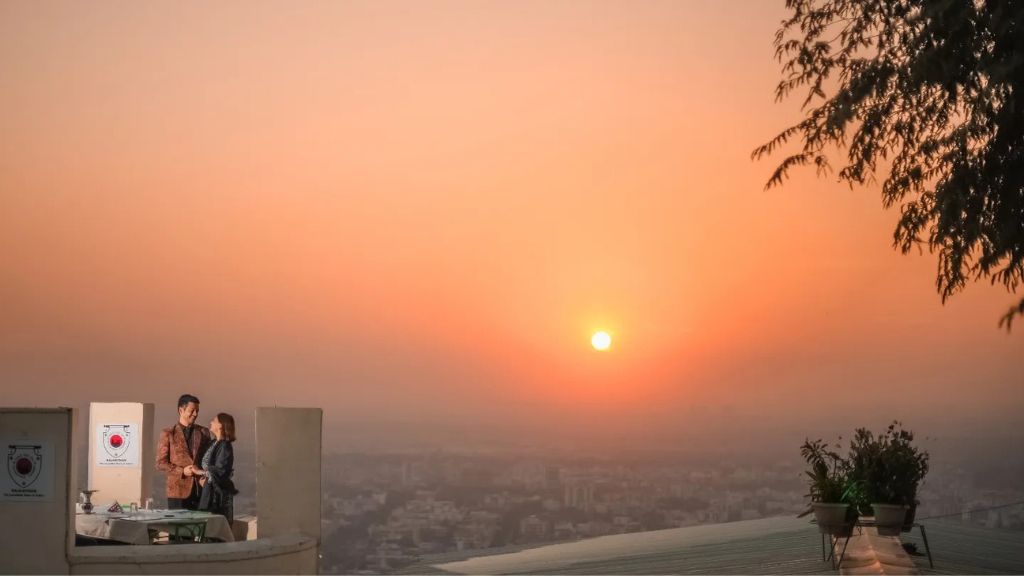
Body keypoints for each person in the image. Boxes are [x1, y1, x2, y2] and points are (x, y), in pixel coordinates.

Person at [155, 394, 211, 510]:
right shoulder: (168, 433)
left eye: (197, 411)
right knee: (178, 526)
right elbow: (160, 463)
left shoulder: (204, 432)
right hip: (177, 492)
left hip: (199, 490)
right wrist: (182, 471)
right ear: (181, 410)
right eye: (192, 410)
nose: (195, 414)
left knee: (199, 526)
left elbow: (209, 460)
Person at [197, 412, 239, 525]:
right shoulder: (213, 443)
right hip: (209, 491)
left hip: (219, 497)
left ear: (221, 425)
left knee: (216, 529)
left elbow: (221, 471)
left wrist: (200, 472)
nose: (211, 422)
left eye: (214, 420)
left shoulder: (225, 446)